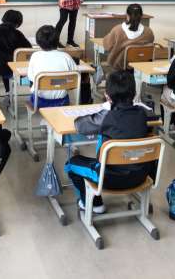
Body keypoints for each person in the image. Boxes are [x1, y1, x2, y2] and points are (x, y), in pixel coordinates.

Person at [65, 70, 154, 214]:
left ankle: (95, 204)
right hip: (141, 176)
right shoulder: (142, 114)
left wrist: (105, 109)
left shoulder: (107, 117)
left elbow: (80, 125)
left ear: (107, 96)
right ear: (134, 93)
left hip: (109, 179)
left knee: (71, 164)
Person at [0, 10, 31, 93]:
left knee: (1, 61)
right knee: (9, 62)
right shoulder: (18, 34)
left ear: (3, 19)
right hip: (15, 69)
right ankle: (15, 89)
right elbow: (28, 51)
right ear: (18, 23)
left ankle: (8, 92)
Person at [27, 25, 77, 108]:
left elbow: (31, 78)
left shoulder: (35, 56)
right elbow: (75, 79)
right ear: (57, 41)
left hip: (39, 102)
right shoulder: (66, 57)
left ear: (38, 42)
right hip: (62, 102)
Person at [103, 3, 155, 70]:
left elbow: (107, 46)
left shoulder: (117, 30)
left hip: (120, 67)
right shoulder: (148, 31)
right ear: (141, 16)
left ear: (127, 15)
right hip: (142, 67)